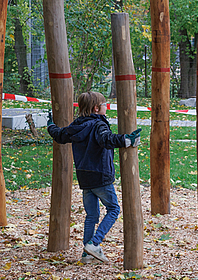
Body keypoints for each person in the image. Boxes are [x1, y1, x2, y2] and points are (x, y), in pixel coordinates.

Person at [47, 91, 140, 264]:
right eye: (104, 104)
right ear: (96, 108)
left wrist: (50, 125)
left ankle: (87, 255)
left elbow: (59, 135)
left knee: (92, 215)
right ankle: (94, 244)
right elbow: (106, 139)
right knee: (114, 209)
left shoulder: (77, 125)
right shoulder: (98, 125)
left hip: (84, 177)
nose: (106, 107)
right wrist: (126, 139)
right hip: (101, 176)